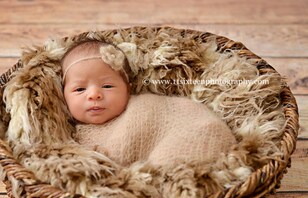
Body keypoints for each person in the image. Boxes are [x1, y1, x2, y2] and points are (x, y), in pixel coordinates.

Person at [61, 40, 237, 169]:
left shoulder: (140, 108)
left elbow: (119, 155)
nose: (94, 95)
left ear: (127, 90)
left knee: (168, 173)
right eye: (79, 89)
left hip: (198, 131)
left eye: (107, 86)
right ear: (63, 95)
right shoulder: (66, 134)